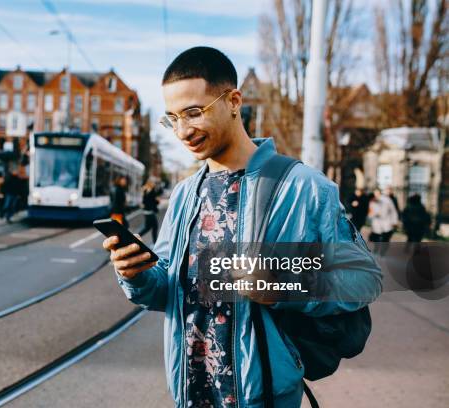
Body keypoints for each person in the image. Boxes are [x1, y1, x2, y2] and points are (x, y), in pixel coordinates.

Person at [102, 46, 382, 407]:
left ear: (233, 101)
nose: (183, 130)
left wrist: (282, 283)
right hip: (190, 394)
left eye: (193, 113)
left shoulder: (303, 188)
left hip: (263, 397)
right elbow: (167, 290)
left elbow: (363, 279)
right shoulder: (186, 194)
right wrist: (137, 274)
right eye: (172, 118)